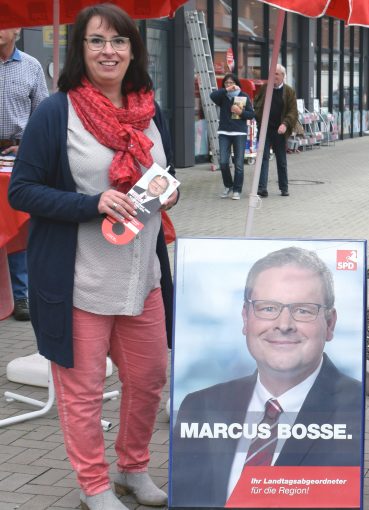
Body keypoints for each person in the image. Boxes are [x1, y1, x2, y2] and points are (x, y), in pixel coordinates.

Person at [7, 4, 179, 510]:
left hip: (142, 277)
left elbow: (164, 177)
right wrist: (92, 202)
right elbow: (23, 191)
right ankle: (95, 486)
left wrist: (169, 194)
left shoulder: (150, 110)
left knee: (148, 380)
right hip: (78, 281)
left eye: (119, 41)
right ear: (80, 49)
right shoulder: (55, 111)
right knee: (82, 395)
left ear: (134, 49)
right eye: (97, 41)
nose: (109, 51)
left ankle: (132, 469)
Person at [170, 246, 363, 507]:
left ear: (330, 324)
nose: (284, 324)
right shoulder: (199, 406)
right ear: (245, 318)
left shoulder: (351, 409)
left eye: (303, 310)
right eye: (268, 308)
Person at [0, 26, 49, 322]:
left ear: (16, 29)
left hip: (17, 156)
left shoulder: (31, 66)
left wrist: (29, 149)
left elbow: (41, 114)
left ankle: (21, 295)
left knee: (17, 223)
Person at [254, 64, 298, 197]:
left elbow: (293, 111)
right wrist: (259, 118)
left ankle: (284, 187)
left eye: (276, 74)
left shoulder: (289, 91)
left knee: (281, 159)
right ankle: (262, 188)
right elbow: (256, 104)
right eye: (272, 74)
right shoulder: (264, 89)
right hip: (265, 129)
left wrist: (285, 124)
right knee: (263, 157)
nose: (273, 77)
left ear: (283, 76)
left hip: (280, 130)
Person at [211, 73, 254, 201]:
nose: (229, 85)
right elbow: (212, 96)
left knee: (239, 164)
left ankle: (237, 190)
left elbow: (251, 114)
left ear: (236, 83)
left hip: (239, 133)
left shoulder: (243, 96)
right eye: (226, 83)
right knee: (223, 162)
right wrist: (225, 90)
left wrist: (241, 112)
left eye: (231, 83)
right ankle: (228, 186)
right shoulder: (223, 97)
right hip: (224, 132)